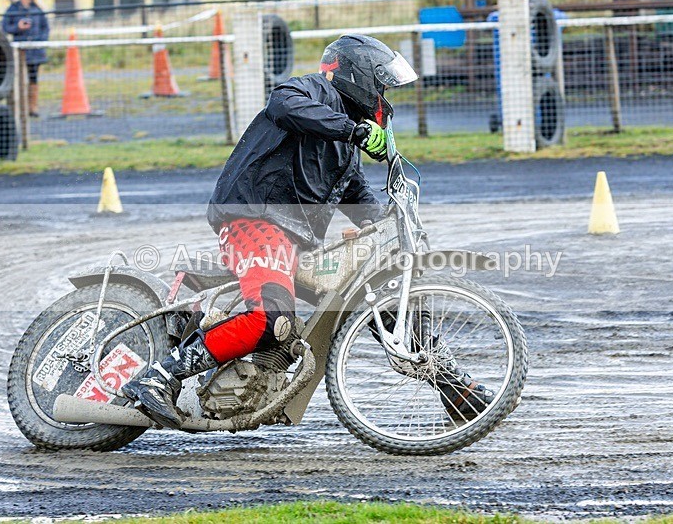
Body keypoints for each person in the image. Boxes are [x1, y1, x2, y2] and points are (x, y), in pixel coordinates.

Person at [123, 35, 493, 429]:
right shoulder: (312, 91)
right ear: (360, 76)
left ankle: (454, 388)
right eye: (381, 86)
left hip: (294, 243)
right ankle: (158, 377)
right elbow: (283, 105)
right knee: (269, 318)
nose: (383, 98)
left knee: (376, 301)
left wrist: (390, 222)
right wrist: (353, 131)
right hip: (254, 219)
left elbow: (357, 196)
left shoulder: (344, 147)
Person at [3, 0, 49, 117]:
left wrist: (40, 42)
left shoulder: (37, 9)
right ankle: (19, 107)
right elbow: (6, 27)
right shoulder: (13, 9)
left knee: (33, 78)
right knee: (19, 79)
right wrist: (18, 27)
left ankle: (32, 107)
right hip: (20, 50)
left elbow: (45, 28)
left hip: (35, 51)